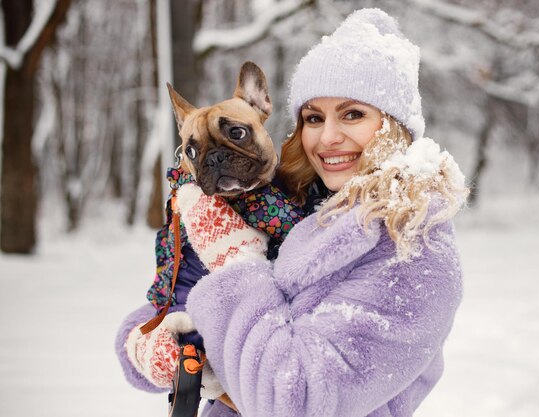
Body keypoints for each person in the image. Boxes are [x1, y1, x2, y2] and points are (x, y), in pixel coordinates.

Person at [116, 8, 468, 417]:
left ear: (394, 124)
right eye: (314, 118)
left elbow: (295, 401)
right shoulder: (291, 203)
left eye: (353, 114)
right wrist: (147, 343)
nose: (329, 137)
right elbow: (185, 297)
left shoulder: (415, 250)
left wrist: (233, 263)